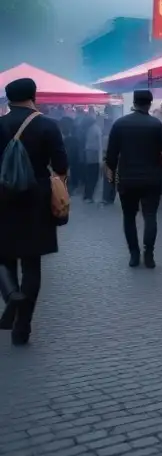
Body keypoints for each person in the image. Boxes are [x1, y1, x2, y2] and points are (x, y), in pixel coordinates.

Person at [0, 78, 68, 346]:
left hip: (2, 197)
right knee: (32, 263)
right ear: (34, 95)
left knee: (4, 255)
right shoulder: (47, 125)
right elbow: (61, 164)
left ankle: (11, 294)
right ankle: (23, 325)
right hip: (36, 198)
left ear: (7, 98)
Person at [105, 90, 162, 268]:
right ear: (150, 103)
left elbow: (111, 155)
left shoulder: (120, 124)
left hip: (128, 179)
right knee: (150, 216)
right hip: (152, 179)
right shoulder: (156, 124)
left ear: (134, 102)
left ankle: (134, 254)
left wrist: (111, 177)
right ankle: (149, 254)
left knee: (129, 218)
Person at [80, 113, 103, 203]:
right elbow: (100, 146)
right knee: (94, 177)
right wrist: (100, 159)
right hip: (94, 155)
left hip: (88, 154)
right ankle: (89, 196)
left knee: (89, 176)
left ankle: (87, 196)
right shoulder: (97, 129)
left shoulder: (88, 129)